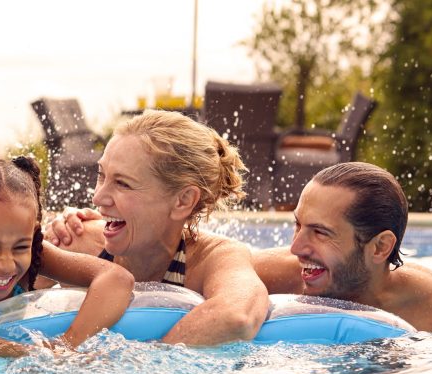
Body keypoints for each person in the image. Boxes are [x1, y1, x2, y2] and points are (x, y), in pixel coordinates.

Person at [43, 110, 268, 345]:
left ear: (182, 201)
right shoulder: (77, 242)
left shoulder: (213, 258)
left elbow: (237, 316)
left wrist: (142, 363)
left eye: (122, 183)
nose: (98, 198)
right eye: (101, 176)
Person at [0, 155, 134, 351]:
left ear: (33, 234)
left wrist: (68, 345)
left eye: (20, 247)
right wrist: (31, 353)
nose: (7, 264)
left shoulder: (37, 253)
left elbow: (118, 279)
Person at [253, 162, 432, 332]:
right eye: (298, 225)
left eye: (320, 232)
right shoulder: (272, 275)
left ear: (380, 247)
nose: (296, 248)